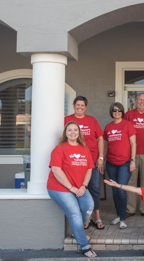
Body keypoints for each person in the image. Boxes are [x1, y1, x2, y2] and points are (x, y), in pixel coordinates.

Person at [47, 121, 96, 258]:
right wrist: (71, 188)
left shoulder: (85, 150)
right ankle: (84, 246)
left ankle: (76, 230)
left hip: (79, 187)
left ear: (79, 133)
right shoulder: (60, 149)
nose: (73, 132)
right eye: (69, 130)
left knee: (88, 206)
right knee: (74, 213)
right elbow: (56, 171)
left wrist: (84, 186)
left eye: (75, 130)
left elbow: (89, 170)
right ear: (65, 133)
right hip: (60, 187)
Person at [64, 96, 105, 230]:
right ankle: (86, 217)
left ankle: (97, 216)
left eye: (82, 105)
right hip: (75, 162)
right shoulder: (67, 120)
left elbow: (100, 139)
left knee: (94, 188)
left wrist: (100, 158)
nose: (80, 107)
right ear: (73, 105)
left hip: (92, 160)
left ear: (85, 107)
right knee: (80, 189)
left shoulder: (91, 120)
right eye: (78, 105)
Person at [103, 102, 137, 229]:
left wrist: (133, 160)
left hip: (125, 162)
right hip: (111, 163)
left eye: (119, 110)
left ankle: (123, 218)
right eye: (114, 110)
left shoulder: (128, 125)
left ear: (122, 112)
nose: (117, 112)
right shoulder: (108, 127)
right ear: (111, 112)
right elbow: (107, 146)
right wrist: (102, 161)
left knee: (121, 190)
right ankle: (118, 215)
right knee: (115, 190)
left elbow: (133, 143)